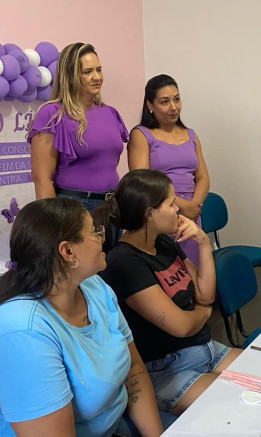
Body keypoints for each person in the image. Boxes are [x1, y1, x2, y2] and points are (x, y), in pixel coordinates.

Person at [0, 198, 163, 437]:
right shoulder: (23, 328)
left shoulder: (95, 289)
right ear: (67, 251)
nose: (103, 237)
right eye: (94, 231)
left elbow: (134, 369)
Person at [95, 169, 240, 416]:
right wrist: (204, 313)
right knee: (239, 402)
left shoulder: (162, 241)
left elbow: (205, 295)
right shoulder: (124, 262)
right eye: (171, 203)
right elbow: (181, 326)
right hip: (167, 369)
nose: (178, 209)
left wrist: (203, 242)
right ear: (150, 214)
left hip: (205, 348)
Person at [28, 42, 128, 211]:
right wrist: (53, 220)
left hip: (112, 205)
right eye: (87, 72)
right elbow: (41, 178)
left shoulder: (110, 113)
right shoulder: (52, 113)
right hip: (76, 206)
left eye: (99, 70)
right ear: (70, 77)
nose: (97, 77)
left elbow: (109, 163)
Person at [127, 74, 209, 266]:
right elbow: (141, 182)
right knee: (167, 272)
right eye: (165, 102)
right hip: (158, 213)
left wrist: (194, 206)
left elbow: (203, 177)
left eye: (176, 99)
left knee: (194, 271)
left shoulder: (191, 135)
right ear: (150, 105)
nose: (173, 107)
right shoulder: (141, 135)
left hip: (191, 215)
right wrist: (181, 205)